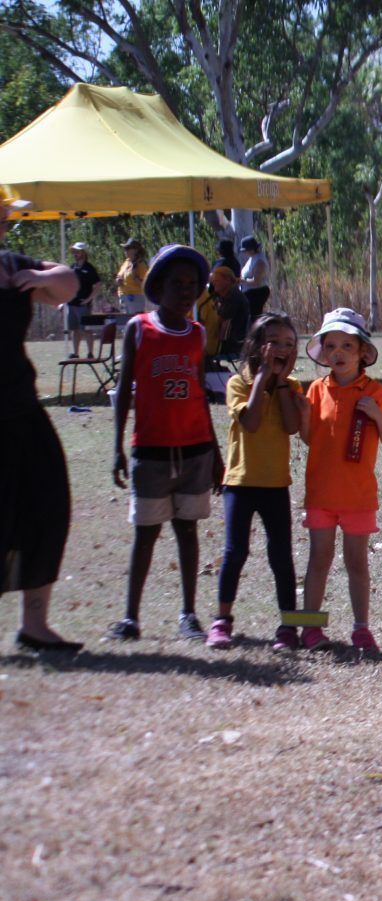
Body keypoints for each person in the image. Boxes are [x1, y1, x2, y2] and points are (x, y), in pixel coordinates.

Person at [107, 245, 221, 641]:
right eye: (177, 284)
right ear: (158, 286)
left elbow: (199, 394)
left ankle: (188, 614)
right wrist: (117, 446)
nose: (186, 291)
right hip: (150, 451)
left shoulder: (198, 333)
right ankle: (130, 618)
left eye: (192, 284)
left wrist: (216, 453)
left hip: (194, 450)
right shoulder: (139, 328)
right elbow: (124, 390)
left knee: (187, 531)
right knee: (146, 533)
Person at [1, 186, 83, 654]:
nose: (5, 225)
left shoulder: (12, 265)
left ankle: (35, 625)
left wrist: (38, 272)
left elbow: (70, 286)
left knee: (48, 499)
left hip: (19, 402)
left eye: (4, 218)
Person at [298, 307, 382, 652]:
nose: (338, 353)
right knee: (318, 560)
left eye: (347, 346)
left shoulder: (376, 393)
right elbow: (309, 436)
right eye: (331, 346)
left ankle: (361, 630)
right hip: (321, 495)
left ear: (362, 353)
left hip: (358, 497)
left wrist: (375, 415)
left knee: (356, 563)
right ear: (323, 352)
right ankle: (310, 629)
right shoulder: (315, 390)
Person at [207, 313, 305, 651]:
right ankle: (222, 621)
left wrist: (279, 384)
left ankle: (289, 627)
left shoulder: (291, 388)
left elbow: (292, 426)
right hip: (240, 482)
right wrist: (263, 377)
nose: (282, 349)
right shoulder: (238, 383)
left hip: (276, 484)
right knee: (235, 552)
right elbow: (249, 422)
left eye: (289, 345)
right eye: (274, 342)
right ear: (256, 347)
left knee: (281, 556)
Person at [196, 265, 249, 361]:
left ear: (227, 280)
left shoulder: (233, 297)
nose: (214, 283)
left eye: (217, 281)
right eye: (213, 281)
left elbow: (219, 321)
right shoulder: (220, 296)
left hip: (230, 344)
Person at [64, 242, 101, 358]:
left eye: (78, 251)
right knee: (74, 330)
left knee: (86, 330)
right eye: (74, 251)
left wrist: (88, 299)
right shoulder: (71, 267)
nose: (75, 253)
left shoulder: (89, 268)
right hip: (71, 304)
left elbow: (98, 285)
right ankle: (76, 353)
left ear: (84, 253)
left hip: (83, 305)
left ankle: (90, 353)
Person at [238, 236, 270, 319]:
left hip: (257, 293)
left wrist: (243, 280)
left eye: (245, 250)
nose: (244, 253)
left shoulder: (259, 261)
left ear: (251, 249)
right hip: (249, 293)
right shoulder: (252, 259)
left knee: (253, 317)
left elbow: (256, 281)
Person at [114, 238, 147, 316]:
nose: (125, 250)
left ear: (136, 250)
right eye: (125, 248)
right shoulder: (126, 262)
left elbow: (144, 284)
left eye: (128, 248)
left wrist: (136, 278)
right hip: (123, 297)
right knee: (125, 324)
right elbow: (119, 276)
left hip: (135, 298)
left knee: (134, 323)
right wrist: (118, 280)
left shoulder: (141, 265)